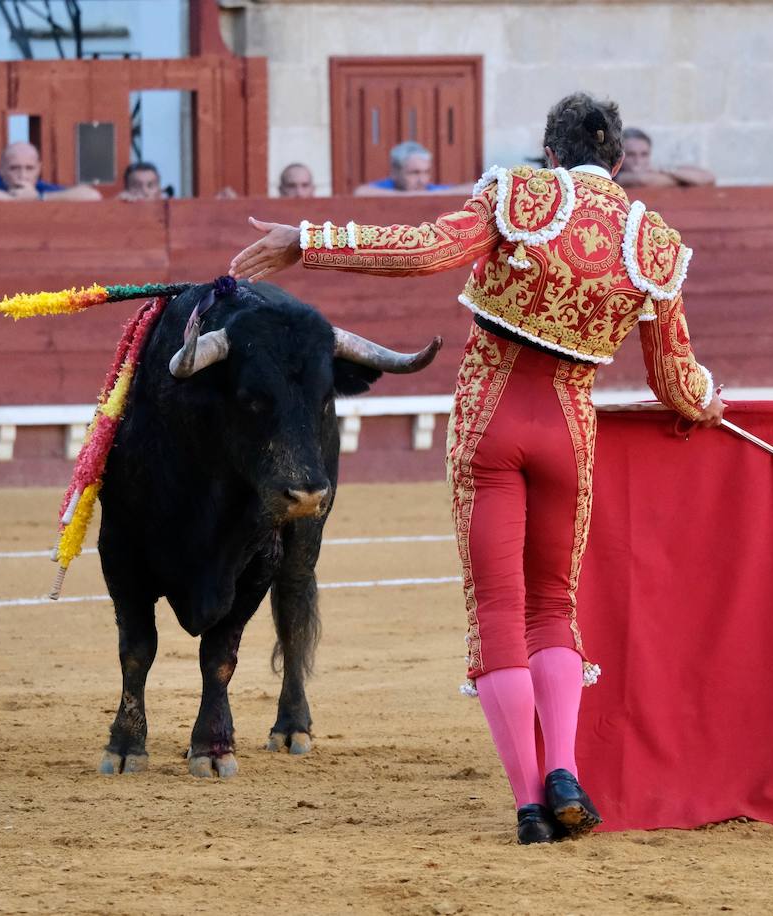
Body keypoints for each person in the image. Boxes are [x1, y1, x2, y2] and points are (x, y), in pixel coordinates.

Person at [230, 91, 725, 845]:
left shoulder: (520, 196)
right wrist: (708, 402)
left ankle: (529, 804)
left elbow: (425, 251)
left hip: (491, 420)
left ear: (550, 153)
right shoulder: (651, 243)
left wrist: (309, 240)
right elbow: (675, 380)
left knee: (497, 609)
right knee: (553, 606)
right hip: (568, 432)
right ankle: (564, 768)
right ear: (619, 160)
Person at [0, 141, 102, 201]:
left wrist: (39, 197)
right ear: (1, 169)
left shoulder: (42, 188)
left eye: (29, 168)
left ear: (38, 169)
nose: (23, 175)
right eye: (14, 168)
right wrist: (21, 199)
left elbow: (92, 195)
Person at [353, 140, 473, 195]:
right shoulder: (387, 186)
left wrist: (426, 196)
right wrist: (410, 197)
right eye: (414, 173)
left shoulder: (428, 189)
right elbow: (361, 192)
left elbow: (471, 188)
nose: (422, 180)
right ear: (395, 172)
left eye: (426, 172)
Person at [614, 127, 715, 188]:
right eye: (631, 155)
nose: (638, 161)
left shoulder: (659, 171)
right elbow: (641, 180)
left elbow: (708, 178)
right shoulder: (613, 174)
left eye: (644, 154)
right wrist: (687, 180)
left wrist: (667, 171)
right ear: (620, 156)